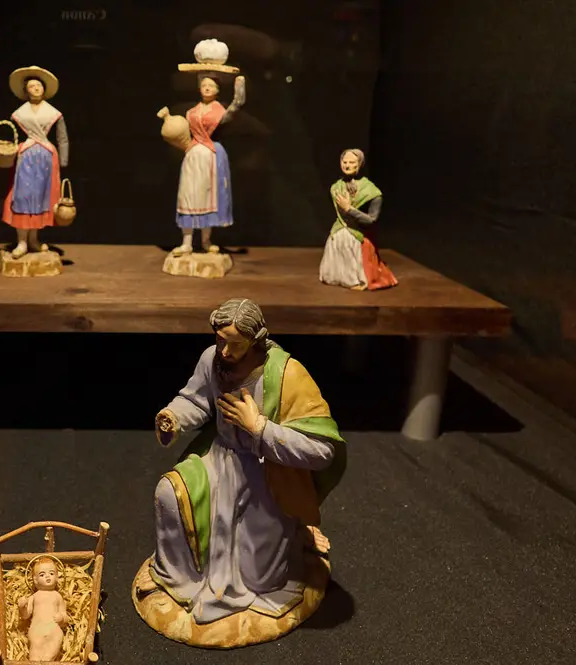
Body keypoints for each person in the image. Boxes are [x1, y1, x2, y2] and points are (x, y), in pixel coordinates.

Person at [141, 298, 345, 622]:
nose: (224, 352)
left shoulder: (288, 375)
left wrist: (260, 429)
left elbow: (322, 451)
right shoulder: (212, 359)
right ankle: (181, 580)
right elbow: (196, 399)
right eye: (220, 340)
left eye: (234, 345)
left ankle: (285, 545)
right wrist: (173, 417)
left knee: (260, 577)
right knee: (169, 494)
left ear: (257, 340)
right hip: (218, 458)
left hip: (267, 473)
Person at [172, 40, 246, 256]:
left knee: (208, 196)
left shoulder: (218, 110)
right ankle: (186, 242)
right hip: (193, 155)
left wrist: (239, 93)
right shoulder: (191, 111)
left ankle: (205, 241)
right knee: (189, 195)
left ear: (217, 89)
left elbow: (234, 109)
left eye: (211, 85)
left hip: (211, 156)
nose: (207, 88)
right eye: (204, 85)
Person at [1, 66, 70, 258]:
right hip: (26, 157)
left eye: (39, 85)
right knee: (22, 198)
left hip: (46, 158)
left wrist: (63, 159)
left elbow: (62, 137)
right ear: (26, 90)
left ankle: (34, 240)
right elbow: (10, 136)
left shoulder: (53, 113)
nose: (36, 88)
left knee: (41, 198)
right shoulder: (20, 114)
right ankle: (22, 241)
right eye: (32, 86)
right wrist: (10, 151)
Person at [320, 148, 398, 290]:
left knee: (357, 259)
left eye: (352, 162)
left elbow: (371, 220)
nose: (347, 165)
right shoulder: (336, 187)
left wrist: (349, 209)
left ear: (360, 164)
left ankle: (359, 280)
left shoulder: (372, 192)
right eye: (344, 162)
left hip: (358, 236)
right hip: (339, 233)